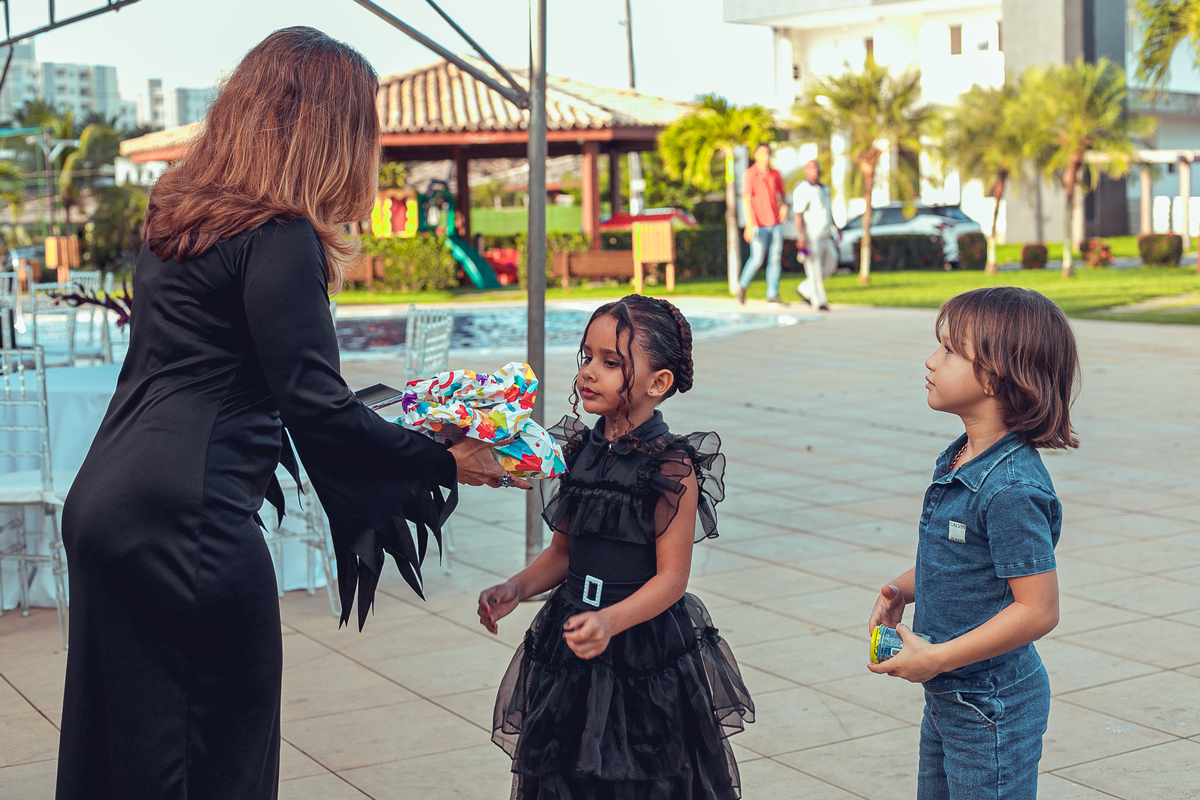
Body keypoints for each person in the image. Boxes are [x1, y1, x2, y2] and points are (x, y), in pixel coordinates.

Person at [55, 28, 526, 800]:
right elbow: (318, 408)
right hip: (189, 522)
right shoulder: (279, 236)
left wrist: (410, 433)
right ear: (331, 129)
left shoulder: (176, 217)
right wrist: (447, 460)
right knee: (216, 762)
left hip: (108, 504)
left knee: (124, 755)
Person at [479, 295, 754, 799]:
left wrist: (610, 621)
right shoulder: (579, 452)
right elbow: (563, 552)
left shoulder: (672, 468)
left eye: (611, 363)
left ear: (659, 383)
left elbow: (672, 579)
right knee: (568, 775)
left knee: (635, 778)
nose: (589, 372)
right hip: (573, 634)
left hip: (639, 648)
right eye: (586, 357)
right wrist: (517, 587)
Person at [867, 287, 1079, 799]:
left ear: (997, 375)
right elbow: (965, 561)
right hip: (953, 693)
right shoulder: (963, 457)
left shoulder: (1010, 488)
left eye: (948, 350)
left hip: (990, 702)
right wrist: (900, 589)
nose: (930, 360)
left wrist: (939, 658)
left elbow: (1038, 610)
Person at [737, 143, 788, 306]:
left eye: (767, 153)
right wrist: (750, 224)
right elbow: (746, 200)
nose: (765, 156)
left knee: (775, 259)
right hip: (758, 224)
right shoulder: (750, 173)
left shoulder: (775, 174)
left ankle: (772, 294)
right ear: (756, 155)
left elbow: (782, 195)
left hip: (776, 223)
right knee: (757, 258)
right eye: (762, 153)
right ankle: (742, 285)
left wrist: (785, 207)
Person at [792, 159, 839, 311]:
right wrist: (801, 236)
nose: (815, 170)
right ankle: (819, 301)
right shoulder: (802, 190)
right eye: (811, 168)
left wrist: (836, 226)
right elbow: (798, 215)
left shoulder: (825, 189)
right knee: (815, 270)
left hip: (826, 234)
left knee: (831, 264)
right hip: (812, 235)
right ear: (806, 170)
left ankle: (805, 289)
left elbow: (828, 211)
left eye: (817, 167)